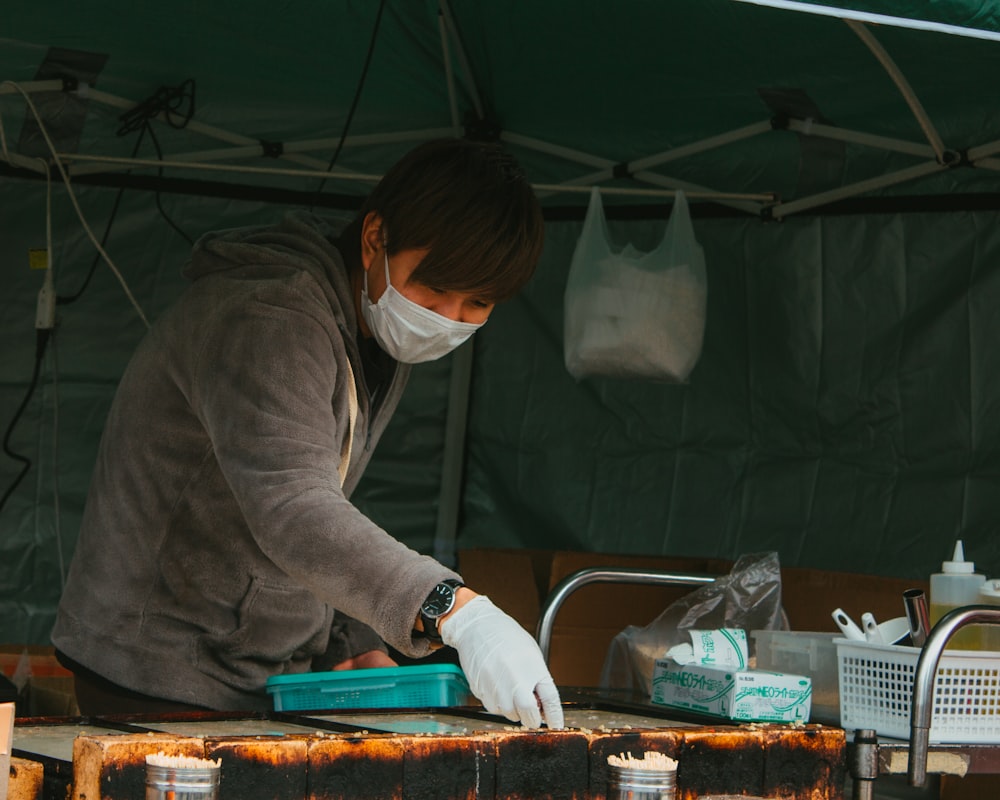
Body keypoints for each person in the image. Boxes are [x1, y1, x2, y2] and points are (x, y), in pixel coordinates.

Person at [50, 138, 563, 728]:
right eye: (435, 287)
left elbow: (322, 495)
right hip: (160, 668)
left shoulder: (371, 326)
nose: (447, 318)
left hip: (254, 669)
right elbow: (291, 503)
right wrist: (455, 610)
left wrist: (350, 638)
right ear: (375, 239)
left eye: (476, 302)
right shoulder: (271, 317)